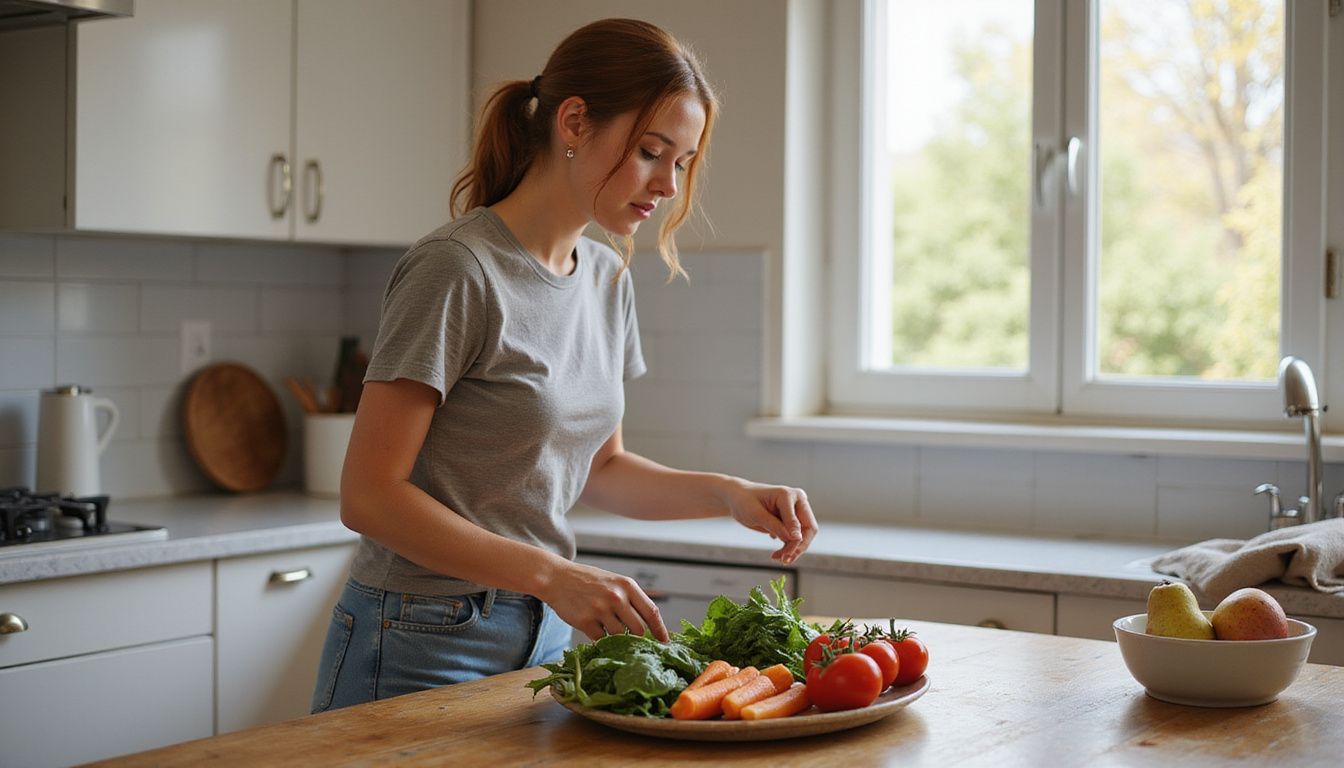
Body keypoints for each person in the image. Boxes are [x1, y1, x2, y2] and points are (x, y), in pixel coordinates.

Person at [310, 18, 819, 713]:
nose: (668, 184)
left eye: (683, 161)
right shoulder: (458, 269)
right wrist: (553, 574)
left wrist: (728, 493)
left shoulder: (607, 278)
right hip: (417, 633)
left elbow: (600, 469)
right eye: (651, 151)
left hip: (543, 636)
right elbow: (369, 495)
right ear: (573, 121)